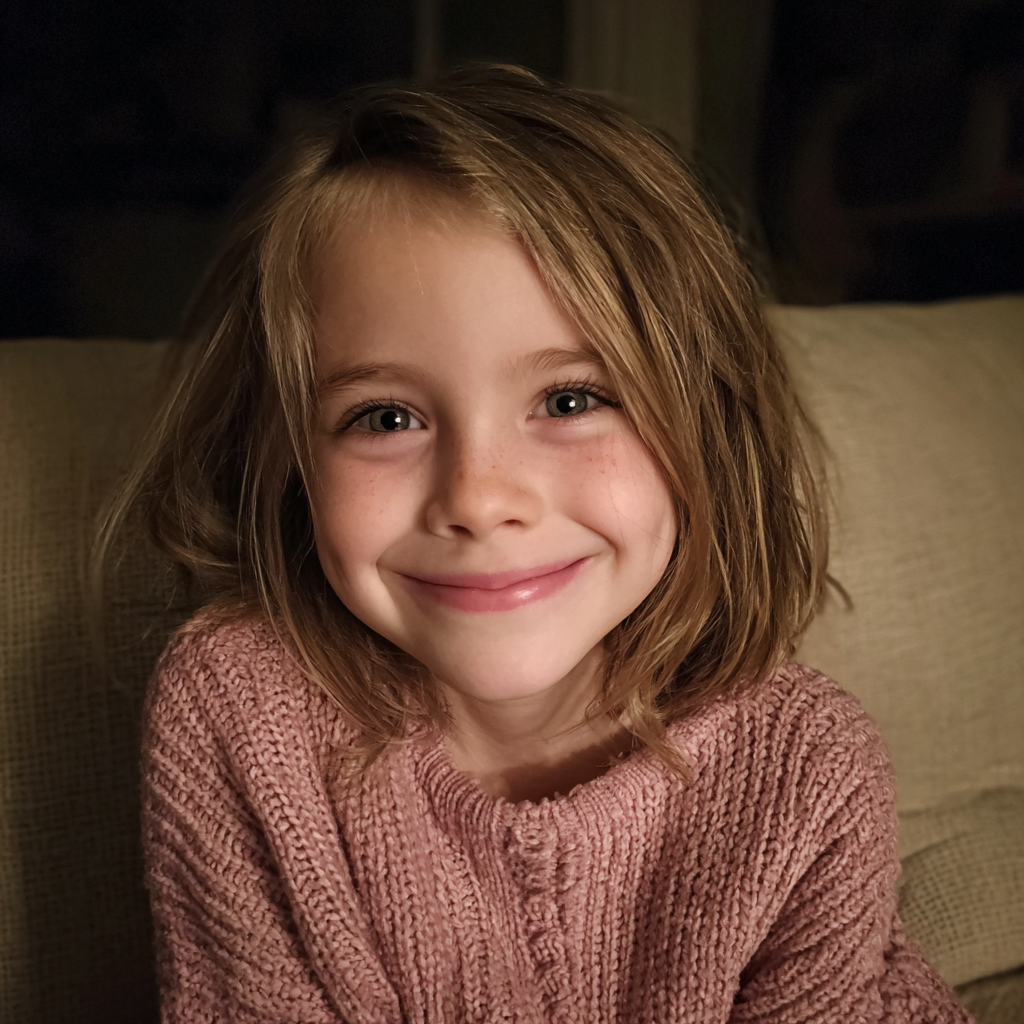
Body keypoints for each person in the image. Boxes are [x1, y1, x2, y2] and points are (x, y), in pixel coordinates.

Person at [115, 66, 973, 1022]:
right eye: (386, 416)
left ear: (709, 428)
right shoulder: (241, 708)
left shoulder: (806, 762)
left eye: (571, 399)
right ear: (288, 460)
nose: (480, 500)